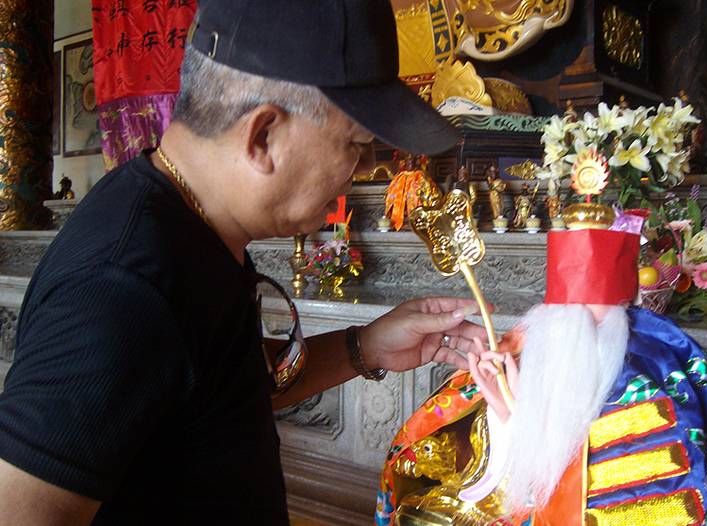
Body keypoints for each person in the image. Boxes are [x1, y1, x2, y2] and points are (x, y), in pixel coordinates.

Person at [0, 1, 484, 524]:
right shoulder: (121, 287)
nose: (365, 168)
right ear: (263, 136)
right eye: (357, 144)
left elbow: (216, 383)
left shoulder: (192, 223)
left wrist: (365, 346)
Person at [378, 212, 707, 525]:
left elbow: (641, 490)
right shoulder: (529, 351)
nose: (575, 331)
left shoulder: (647, 382)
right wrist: (504, 415)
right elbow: (516, 466)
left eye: (588, 319)